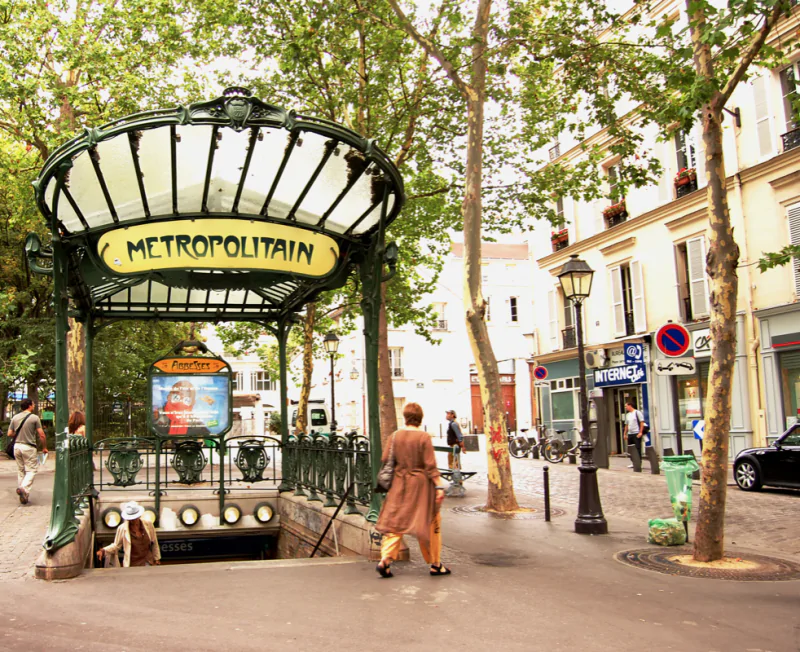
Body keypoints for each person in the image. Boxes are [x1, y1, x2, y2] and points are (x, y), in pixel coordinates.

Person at [375, 402, 450, 578]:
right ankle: (435, 563)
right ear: (420, 418)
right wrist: (439, 487)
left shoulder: (395, 436)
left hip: (400, 484)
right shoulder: (424, 437)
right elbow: (430, 466)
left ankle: (385, 559)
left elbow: (385, 458)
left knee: (395, 523)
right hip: (421, 486)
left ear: (405, 417)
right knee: (429, 522)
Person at [96, 501, 161, 568]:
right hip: (133, 564)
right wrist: (104, 550)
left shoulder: (148, 524)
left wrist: (157, 558)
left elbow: (154, 542)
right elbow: (116, 545)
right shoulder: (122, 528)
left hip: (148, 561)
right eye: (131, 519)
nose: (133, 520)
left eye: (135, 518)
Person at [8, 399, 47, 505]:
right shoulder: (34, 418)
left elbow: (9, 433)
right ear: (29, 406)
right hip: (28, 447)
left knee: (21, 470)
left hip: (17, 446)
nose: (34, 405)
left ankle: (24, 495)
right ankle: (23, 489)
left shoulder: (15, 417)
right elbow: (41, 434)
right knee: (31, 470)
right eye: (33, 404)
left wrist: (19, 435)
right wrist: (44, 447)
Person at [623, 401, 646, 466]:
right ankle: (633, 462)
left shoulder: (637, 413)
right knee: (631, 448)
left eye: (626, 406)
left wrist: (640, 432)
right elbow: (626, 425)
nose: (625, 407)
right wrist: (625, 433)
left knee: (637, 448)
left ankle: (638, 462)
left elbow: (642, 422)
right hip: (630, 433)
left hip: (636, 433)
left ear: (630, 406)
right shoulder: (627, 415)